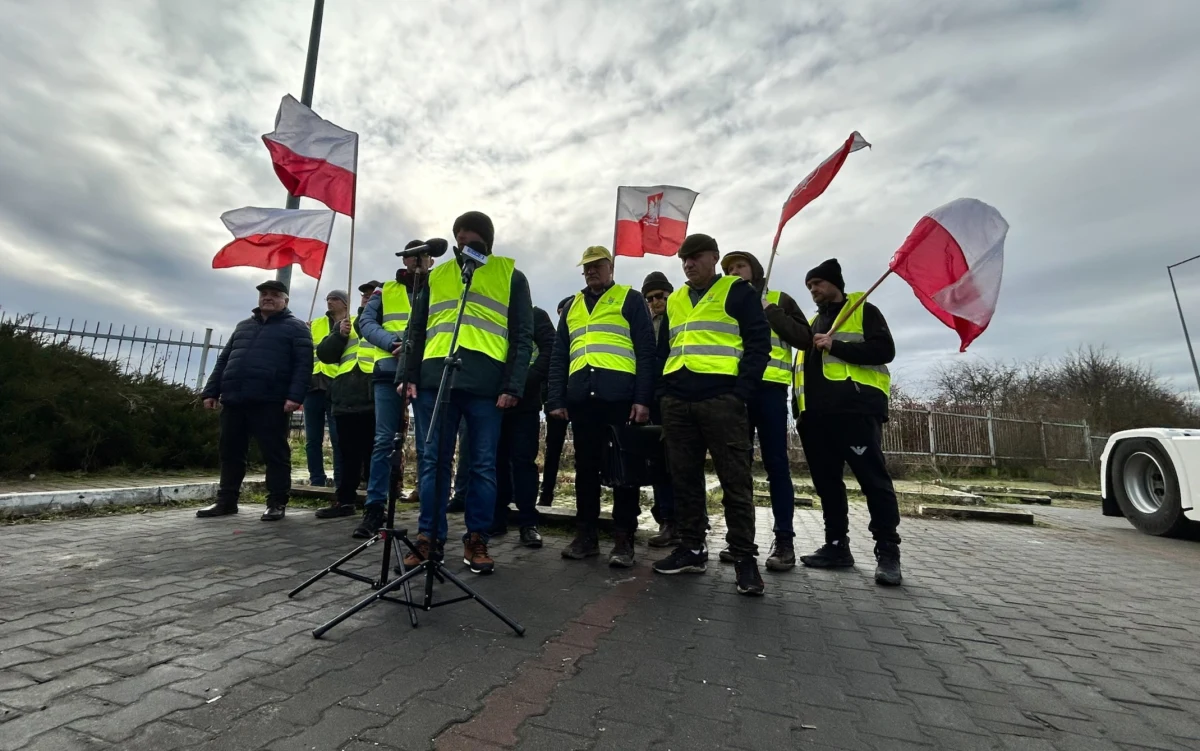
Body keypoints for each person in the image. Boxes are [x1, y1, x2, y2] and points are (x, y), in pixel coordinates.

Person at [401, 211, 534, 574]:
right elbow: (417, 327)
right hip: (435, 380)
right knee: (432, 462)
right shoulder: (438, 275)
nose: (465, 244)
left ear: (487, 243)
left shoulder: (511, 276)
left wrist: (512, 385)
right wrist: (406, 374)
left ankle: (477, 539)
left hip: (486, 387)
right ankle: (429, 539)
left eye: (473, 239)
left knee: (483, 466)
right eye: (460, 238)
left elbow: (522, 336)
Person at [651, 234, 770, 596]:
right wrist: (663, 393)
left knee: (735, 481)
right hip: (678, 403)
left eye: (695, 257)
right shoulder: (675, 299)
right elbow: (663, 350)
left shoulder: (737, 291)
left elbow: (758, 343)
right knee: (684, 480)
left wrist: (740, 393)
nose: (688, 264)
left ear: (714, 257)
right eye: (683, 260)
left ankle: (744, 559)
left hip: (721, 400)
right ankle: (691, 549)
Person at [795, 259, 902, 586]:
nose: (813, 289)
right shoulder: (813, 322)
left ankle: (888, 552)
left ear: (835, 284)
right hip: (815, 418)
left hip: (854, 412)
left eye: (818, 283)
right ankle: (836, 546)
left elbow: (885, 350)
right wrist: (799, 413)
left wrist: (836, 345)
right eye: (809, 285)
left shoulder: (863, 310)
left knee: (873, 481)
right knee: (827, 485)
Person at [548, 246, 656, 567]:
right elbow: (559, 355)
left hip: (621, 399)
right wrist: (557, 399)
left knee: (625, 472)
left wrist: (642, 399)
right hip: (582, 401)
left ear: (611, 267)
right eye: (587, 267)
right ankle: (586, 536)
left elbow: (646, 351)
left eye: (597, 265)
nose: (591, 271)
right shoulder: (572, 306)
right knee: (585, 471)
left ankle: (623, 540)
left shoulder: (630, 299)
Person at [719, 251, 812, 571]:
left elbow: (804, 338)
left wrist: (769, 310)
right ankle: (740, 539)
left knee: (777, 466)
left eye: (739, 266)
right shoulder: (724, 301)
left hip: (771, 390)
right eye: (729, 269)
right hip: (736, 392)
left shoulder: (779, 299)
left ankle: (784, 541)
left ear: (756, 270)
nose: (734, 271)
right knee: (736, 467)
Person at [198, 280, 312, 521]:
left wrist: (295, 396)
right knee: (230, 452)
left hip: (270, 400)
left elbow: (304, 365)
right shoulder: (243, 326)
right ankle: (226, 501)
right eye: (264, 294)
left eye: (274, 294)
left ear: (285, 301)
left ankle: (277, 502)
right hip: (234, 398)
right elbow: (224, 359)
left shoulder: (297, 328)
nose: (267, 298)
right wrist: (211, 391)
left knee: (274, 453)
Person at [355, 242, 434, 539]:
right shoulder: (385, 290)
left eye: (423, 255)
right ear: (404, 260)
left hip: (426, 370)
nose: (417, 260)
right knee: (383, 441)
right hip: (388, 369)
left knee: (428, 443)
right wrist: (392, 343)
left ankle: (429, 515)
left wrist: (417, 348)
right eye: (412, 256)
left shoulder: (440, 286)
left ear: (431, 260)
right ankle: (374, 509)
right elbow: (365, 322)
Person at [491, 304, 555, 546]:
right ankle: (497, 518)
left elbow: (550, 350)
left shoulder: (536, 315)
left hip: (525, 402)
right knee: (494, 462)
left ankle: (528, 523)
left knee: (524, 462)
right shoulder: (491, 314)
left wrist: (524, 381)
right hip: (491, 401)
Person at [312, 286, 378, 519]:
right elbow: (325, 354)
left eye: (372, 295)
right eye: (364, 295)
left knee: (374, 454)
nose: (367, 298)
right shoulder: (346, 323)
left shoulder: (384, 321)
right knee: (347, 453)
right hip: (345, 396)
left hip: (374, 395)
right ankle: (345, 501)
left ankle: (375, 505)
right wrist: (339, 334)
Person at [641, 271, 677, 548]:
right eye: (650, 298)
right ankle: (666, 519)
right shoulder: (643, 323)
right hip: (652, 399)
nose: (656, 302)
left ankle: (691, 521)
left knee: (682, 462)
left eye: (660, 296)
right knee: (658, 463)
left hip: (678, 396)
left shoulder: (680, 317)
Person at [303, 290, 347, 487]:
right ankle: (316, 480)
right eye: (328, 299)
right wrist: (303, 332)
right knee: (312, 439)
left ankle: (340, 480)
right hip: (313, 385)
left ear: (345, 303)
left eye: (335, 299)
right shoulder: (315, 324)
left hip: (337, 385)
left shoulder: (351, 324)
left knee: (338, 438)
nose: (330, 301)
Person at [537, 296, 574, 507]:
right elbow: (548, 371)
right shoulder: (555, 338)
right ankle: (546, 494)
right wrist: (549, 399)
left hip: (580, 400)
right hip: (556, 402)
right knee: (553, 450)